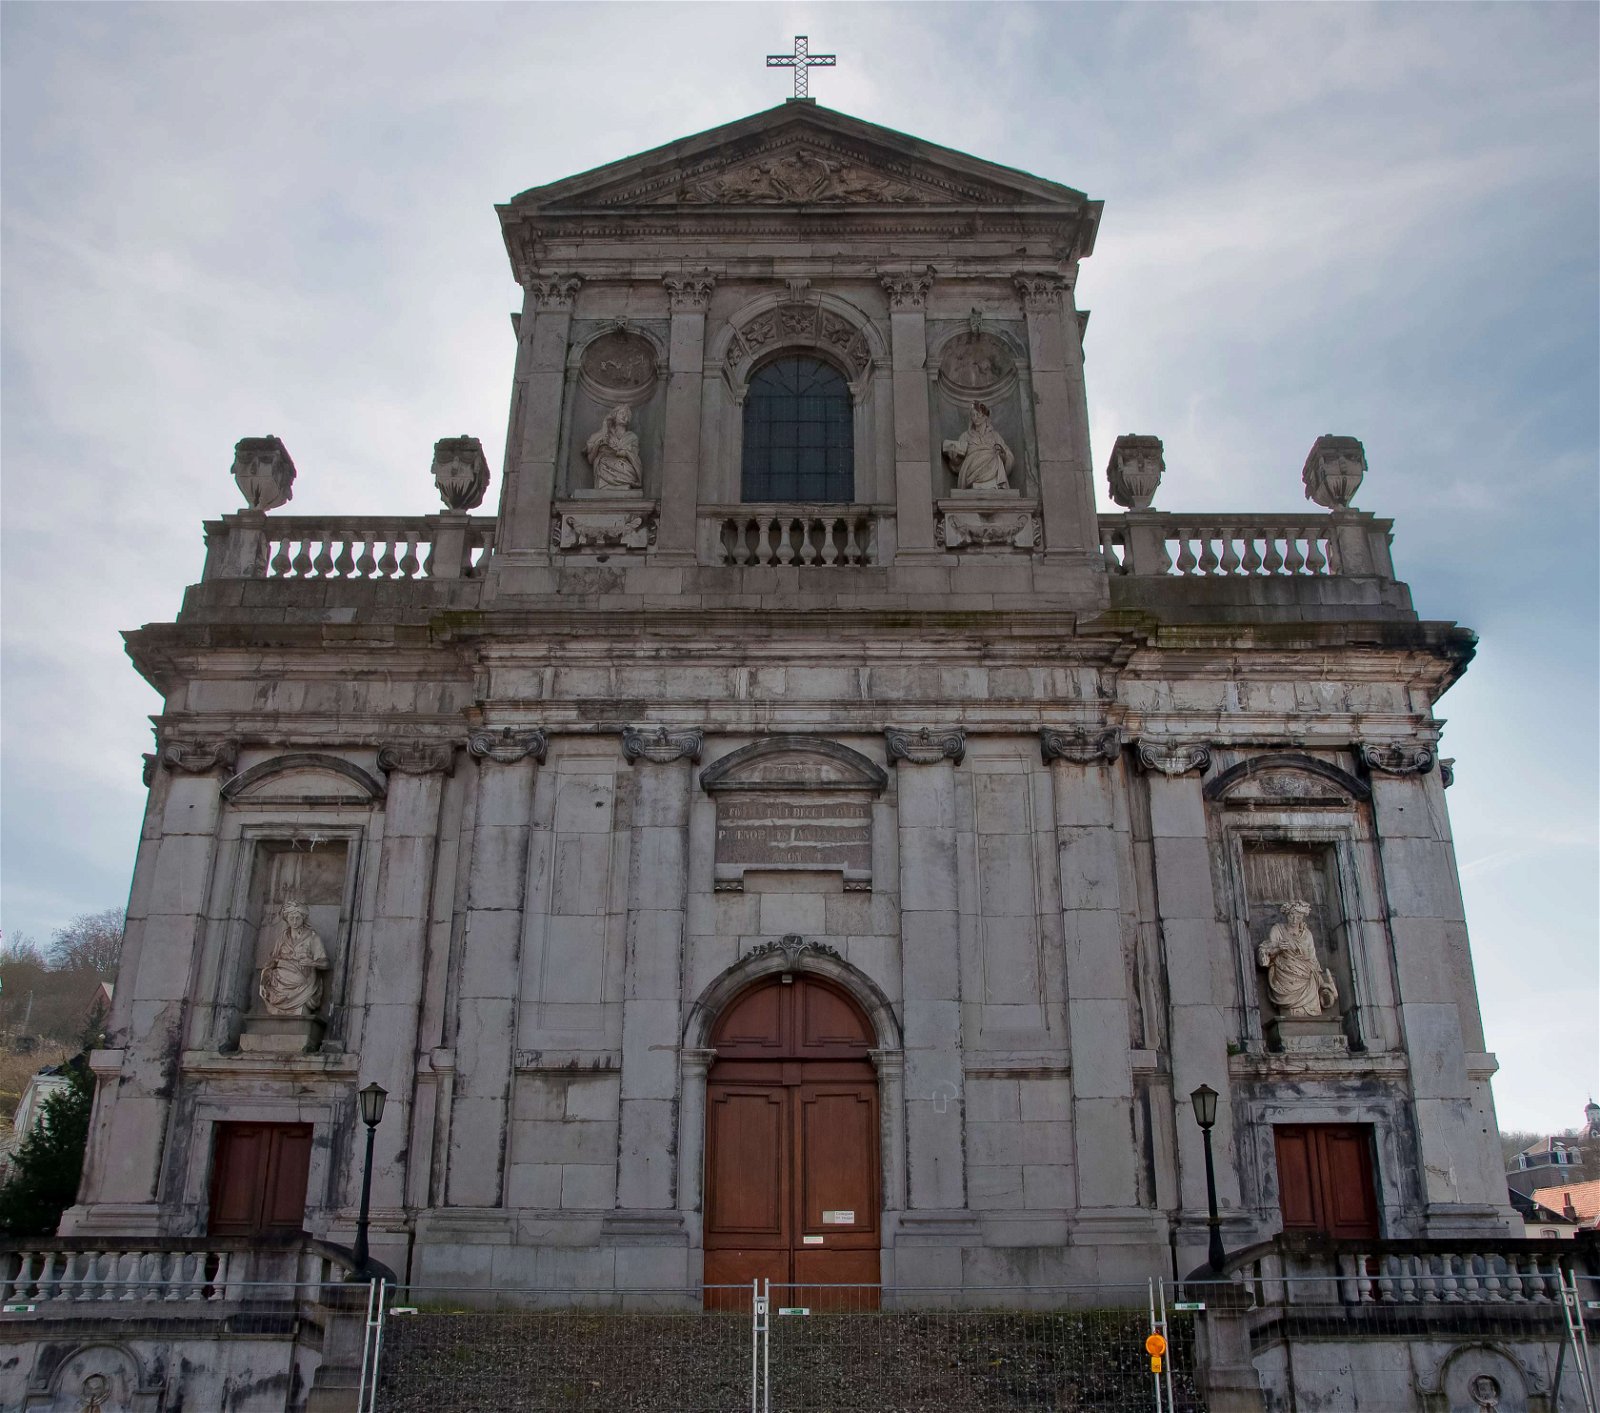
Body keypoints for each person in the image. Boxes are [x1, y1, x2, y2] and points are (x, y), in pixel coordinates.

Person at [1257, 900, 1338, 1018]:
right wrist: (1278, 948)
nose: (1294, 920)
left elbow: (1312, 959)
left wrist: (1320, 981)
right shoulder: (1277, 929)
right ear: (1287, 915)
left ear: (1302, 918)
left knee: (1312, 977)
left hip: (1306, 973)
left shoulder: (1307, 934)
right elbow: (1267, 952)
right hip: (1285, 972)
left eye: (1298, 917)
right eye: (1292, 916)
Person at [259, 899, 329, 1017]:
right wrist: (263, 979)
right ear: (287, 919)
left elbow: (325, 963)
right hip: (280, 978)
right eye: (291, 918)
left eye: (297, 918)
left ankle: (296, 1000)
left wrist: (312, 962)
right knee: (271, 978)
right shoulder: (282, 937)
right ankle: (279, 1000)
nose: (294, 921)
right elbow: (272, 960)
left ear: (303, 918)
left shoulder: (312, 937)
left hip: (303, 980)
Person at [942, 401, 1014, 491]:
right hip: (971, 468)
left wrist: (1004, 456)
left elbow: (1008, 455)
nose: (975, 418)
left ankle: (994, 483)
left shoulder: (995, 436)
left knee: (994, 456)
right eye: (973, 415)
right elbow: (958, 465)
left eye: (978, 415)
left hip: (993, 465)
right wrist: (954, 458)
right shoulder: (965, 436)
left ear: (985, 417)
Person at [584, 405, 644, 492]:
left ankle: (621, 483)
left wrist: (625, 453)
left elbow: (634, 456)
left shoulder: (632, 437)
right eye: (621, 413)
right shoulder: (606, 434)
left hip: (623, 466)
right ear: (614, 416)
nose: (624, 416)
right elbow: (590, 456)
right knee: (603, 461)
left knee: (629, 472)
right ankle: (606, 486)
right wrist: (604, 429)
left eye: (626, 414)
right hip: (606, 462)